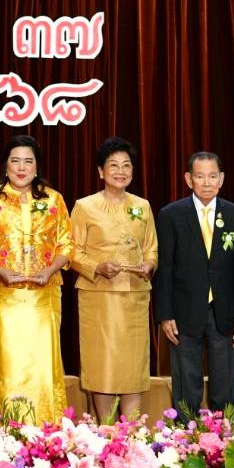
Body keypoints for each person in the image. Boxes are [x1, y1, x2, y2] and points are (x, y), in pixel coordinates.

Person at [0, 134, 74, 423]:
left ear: (37, 167)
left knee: (42, 362)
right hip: (2, 295)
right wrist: (2, 271)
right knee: (6, 363)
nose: (22, 167)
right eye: (15, 161)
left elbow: (67, 245)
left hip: (44, 296)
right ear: (6, 166)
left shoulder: (53, 200)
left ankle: (45, 427)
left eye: (28, 161)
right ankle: (2, 428)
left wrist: (49, 270)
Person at [154, 151, 234, 417]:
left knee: (225, 386)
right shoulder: (171, 214)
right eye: (200, 177)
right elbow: (164, 269)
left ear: (221, 179)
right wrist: (165, 315)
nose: (207, 182)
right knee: (187, 387)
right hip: (183, 313)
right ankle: (185, 437)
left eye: (212, 176)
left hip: (227, 314)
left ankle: (224, 436)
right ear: (189, 179)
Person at [71, 137, 158, 420]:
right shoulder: (85, 206)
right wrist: (97, 267)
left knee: (133, 368)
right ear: (101, 171)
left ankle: (131, 431)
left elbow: (151, 247)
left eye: (126, 165)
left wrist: (149, 264)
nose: (121, 171)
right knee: (103, 366)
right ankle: (106, 430)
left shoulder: (142, 206)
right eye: (113, 165)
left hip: (135, 297)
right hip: (99, 297)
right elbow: (71, 251)